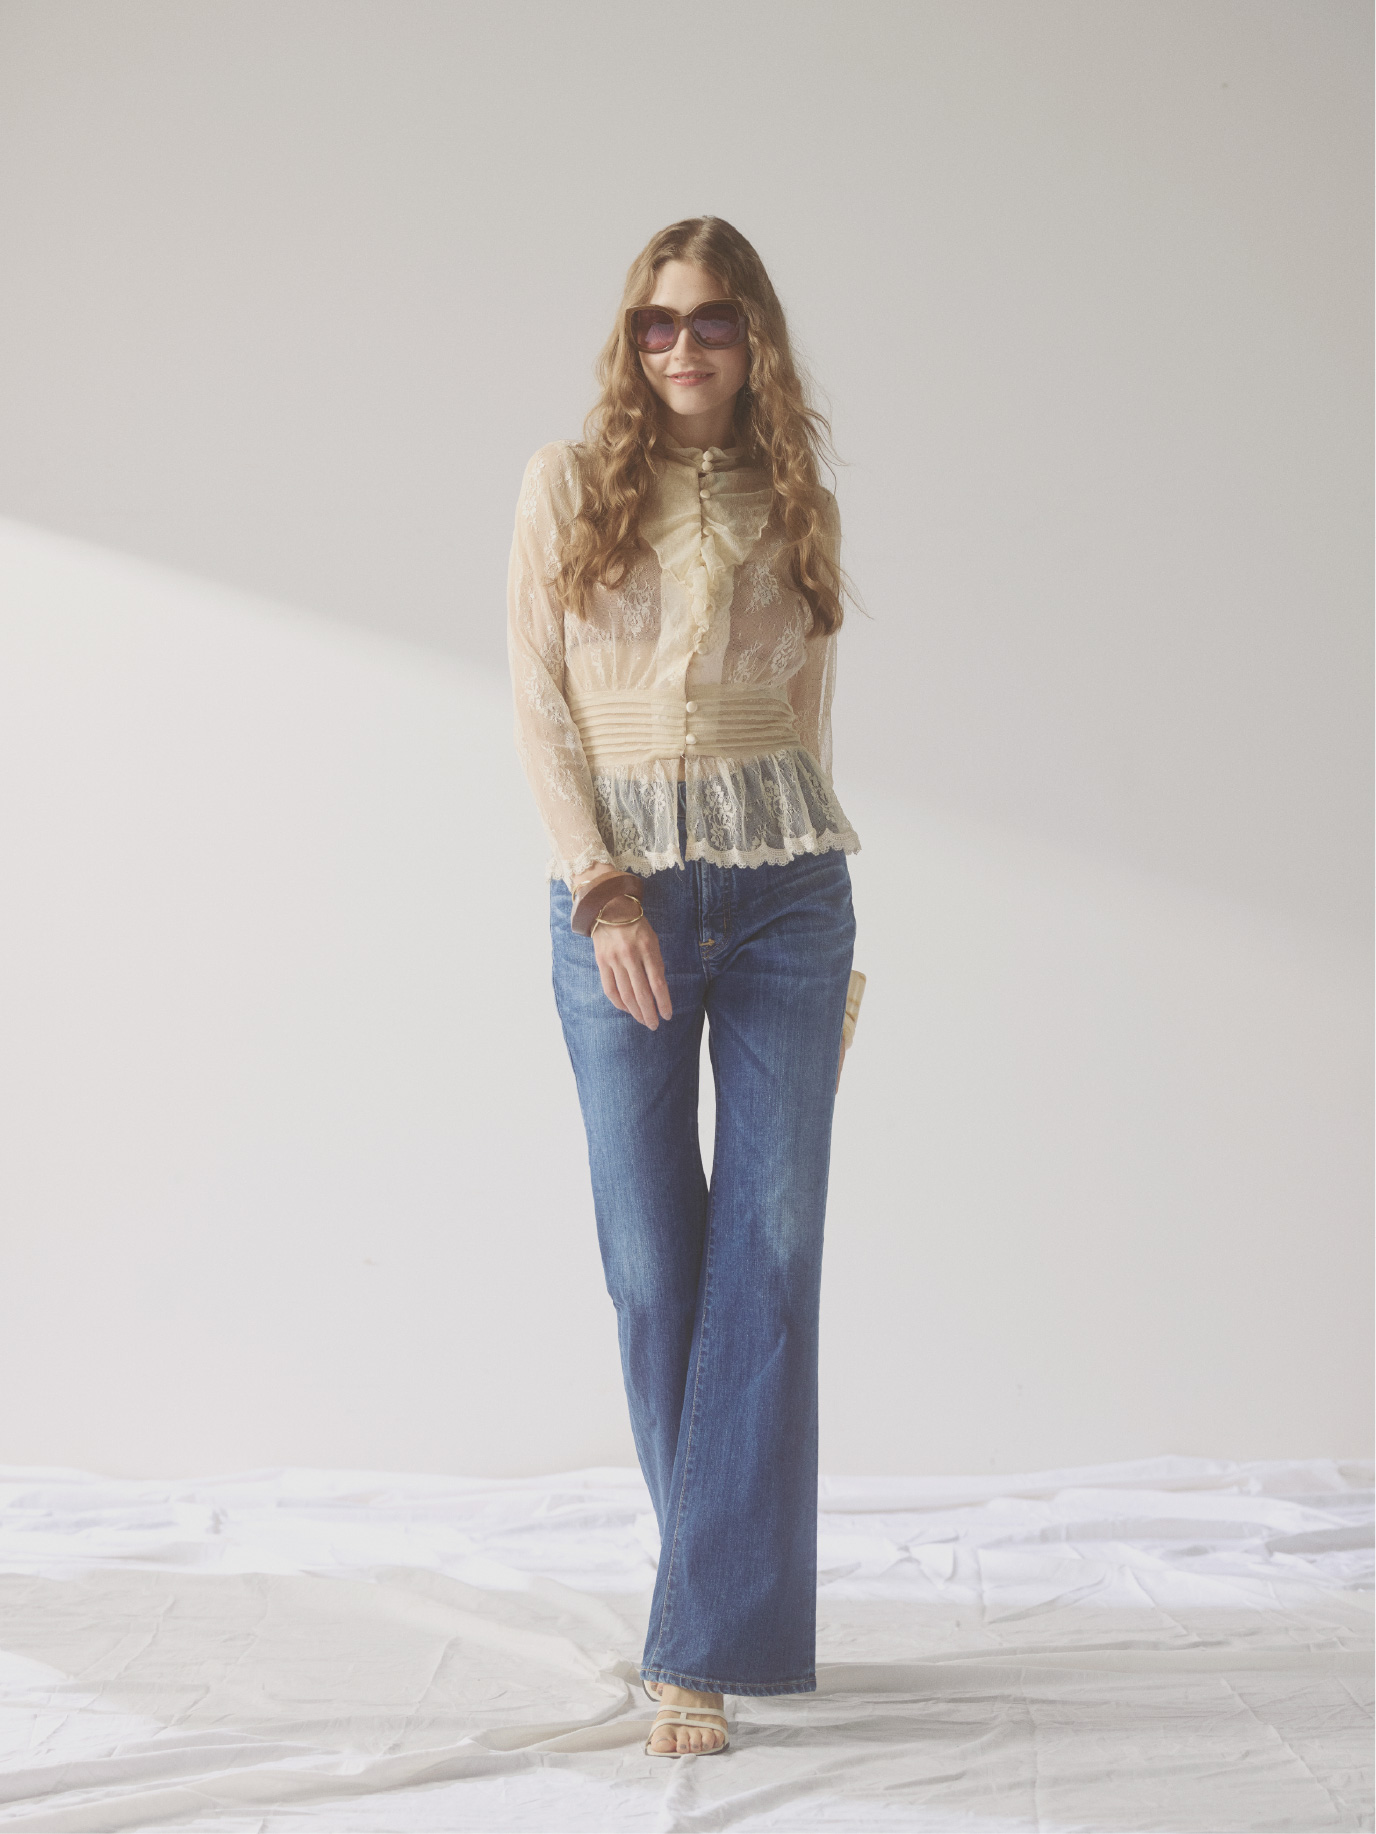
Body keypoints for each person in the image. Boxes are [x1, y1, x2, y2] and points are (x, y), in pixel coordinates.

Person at [506, 215, 863, 1758]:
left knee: (767, 1262)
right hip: (624, 899)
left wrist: (845, 969)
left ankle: (699, 1645)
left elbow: (809, 722)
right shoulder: (566, 484)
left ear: (754, 338)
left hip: (791, 899)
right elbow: (536, 698)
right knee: (657, 1266)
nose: (682, 347)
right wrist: (600, 887)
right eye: (656, 323)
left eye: (712, 321)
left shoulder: (799, 498)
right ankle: (712, 1603)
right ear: (630, 338)